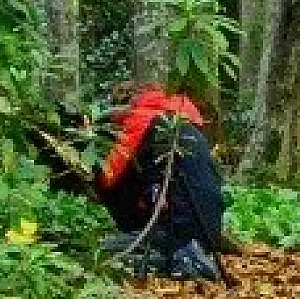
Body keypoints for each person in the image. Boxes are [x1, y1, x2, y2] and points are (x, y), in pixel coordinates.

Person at [90, 85, 227, 282]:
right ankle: (189, 254)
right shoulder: (182, 122)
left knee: (102, 250)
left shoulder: (143, 119)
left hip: (180, 231)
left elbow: (108, 176)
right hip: (207, 231)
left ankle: (178, 258)